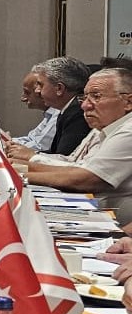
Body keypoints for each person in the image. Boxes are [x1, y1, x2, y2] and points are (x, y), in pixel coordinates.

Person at [17, 68, 132, 212]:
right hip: (88, 208)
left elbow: (87, 179)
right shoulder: (102, 127)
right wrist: (21, 164)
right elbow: (73, 163)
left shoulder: (128, 130)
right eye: (85, 98)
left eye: (96, 96)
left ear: (128, 102)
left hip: (108, 219)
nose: (84, 105)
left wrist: (19, 174)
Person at [15, 56, 91, 158]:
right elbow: (55, 153)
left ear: (59, 88)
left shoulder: (78, 113)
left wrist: (30, 156)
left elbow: (63, 159)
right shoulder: (67, 110)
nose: (37, 91)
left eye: (40, 85)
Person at [13, 68, 59, 151]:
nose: (23, 98)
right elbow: (32, 138)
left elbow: (41, 147)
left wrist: (8, 145)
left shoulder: (58, 113)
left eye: (27, 92)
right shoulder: (49, 114)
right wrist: (6, 140)